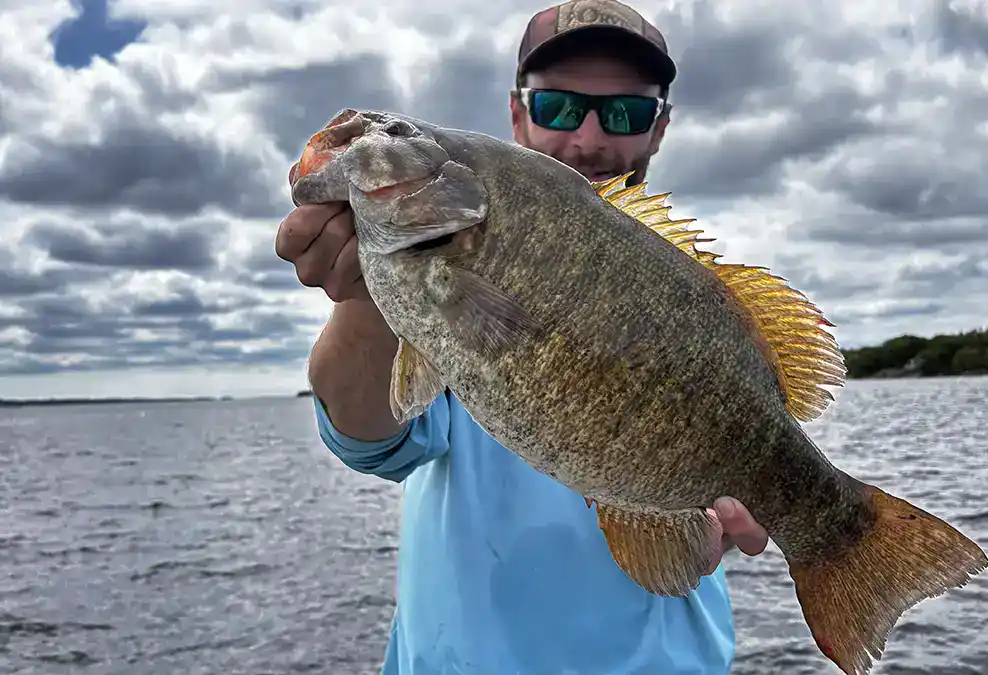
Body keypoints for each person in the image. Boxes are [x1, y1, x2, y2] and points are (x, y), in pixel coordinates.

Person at [275, 1, 769, 672]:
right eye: (560, 107)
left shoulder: (702, 307)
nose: (589, 139)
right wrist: (368, 296)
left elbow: (766, 471)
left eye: (624, 113)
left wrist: (745, 518)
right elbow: (371, 440)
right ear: (517, 114)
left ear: (660, 128)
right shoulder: (449, 268)